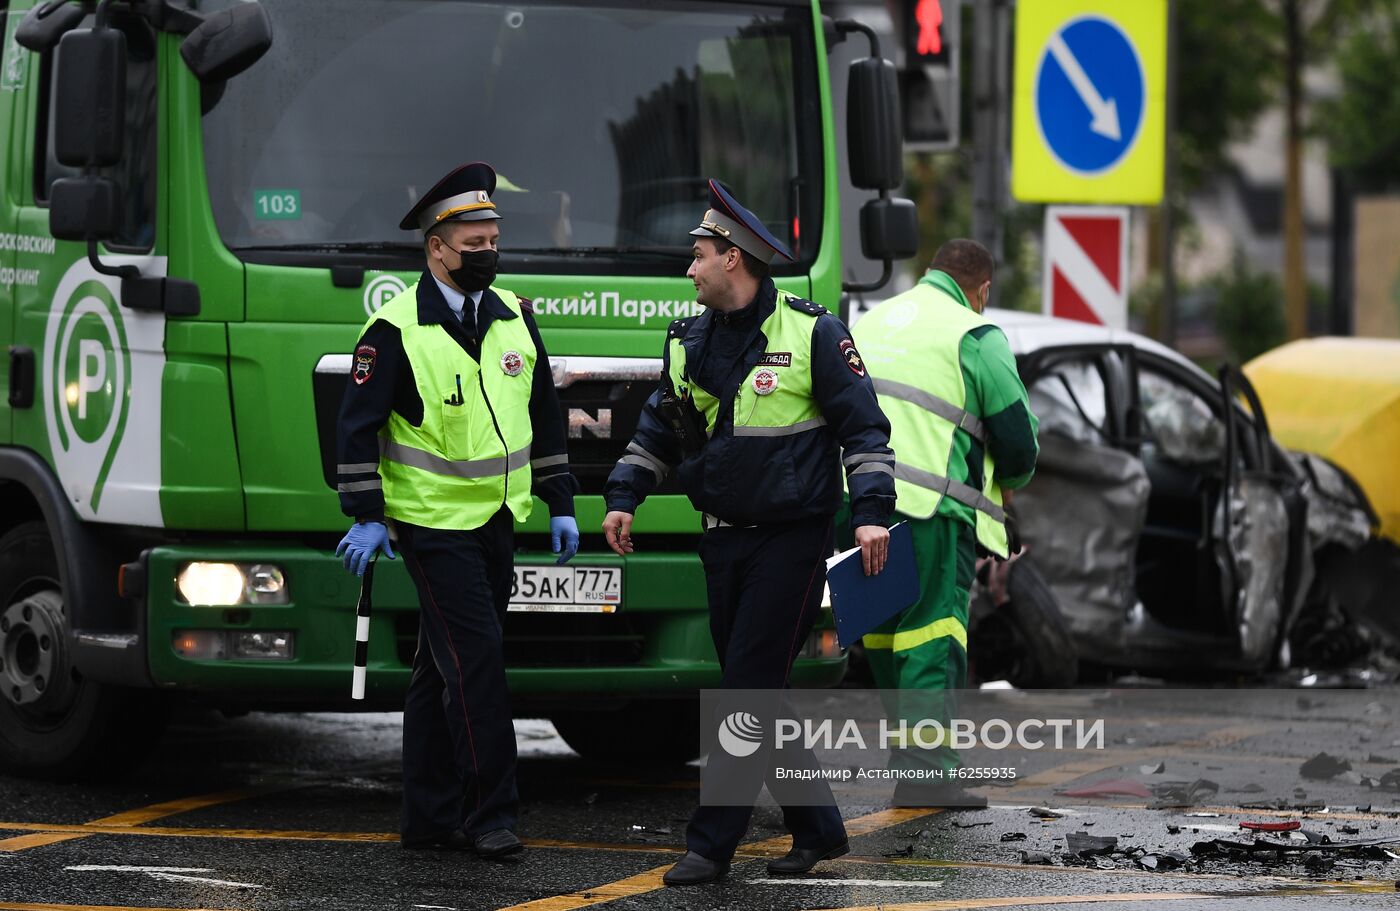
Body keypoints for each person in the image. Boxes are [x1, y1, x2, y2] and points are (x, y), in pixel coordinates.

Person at [602, 180, 896, 885]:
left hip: (790, 541)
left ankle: (711, 843)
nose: (690, 267)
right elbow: (658, 427)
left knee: (744, 690)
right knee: (759, 689)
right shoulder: (687, 341)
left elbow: (865, 428)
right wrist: (624, 495)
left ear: (733, 258)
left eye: (698, 254)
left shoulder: (813, 332)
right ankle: (820, 827)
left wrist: (871, 511)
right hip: (721, 538)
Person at [334, 162, 580, 858]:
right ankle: (489, 812)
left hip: (498, 517)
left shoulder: (513, 316)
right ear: (437, 245)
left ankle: (428, 815)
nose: (488, 250)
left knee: (438, 667)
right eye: (474, 240)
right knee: (477, 660)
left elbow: (545, 415)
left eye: (494, 237)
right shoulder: (393, 329)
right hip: (431, 523)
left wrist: (560, 500)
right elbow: (356, 427)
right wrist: (366, 511)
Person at [851, 239, 1039, 807]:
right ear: (981, 289)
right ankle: (926, 773)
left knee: (884, 640)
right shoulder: (972, 333)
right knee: (932, 637)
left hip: (858, 506)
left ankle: (912, 762)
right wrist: (1013, 482)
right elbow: (1016, 434)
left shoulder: (869, 322)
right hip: (929, 511)